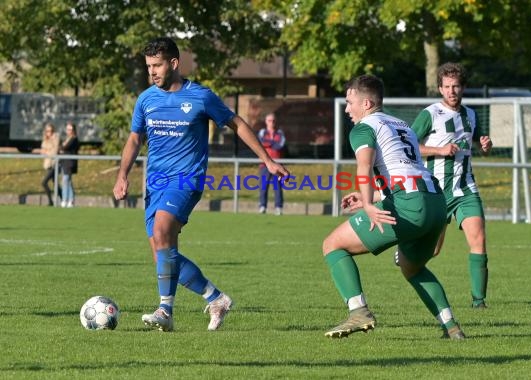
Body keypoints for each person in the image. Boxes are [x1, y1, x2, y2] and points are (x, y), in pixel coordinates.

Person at [112, 37, 289, 332]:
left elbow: (238, 124)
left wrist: (267, 159)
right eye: (148, 67)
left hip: (186, 179)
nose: (152, 72)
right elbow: (134, 139)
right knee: (161, 252)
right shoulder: (146, 99)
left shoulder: (201, 97)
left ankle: (164, 310)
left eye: (156, 65)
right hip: (155, 183)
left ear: (174, 63)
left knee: (161, 231)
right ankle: (215, 298)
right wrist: (122, 174)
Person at [322, 74, 465, 340]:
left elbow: (364, 166)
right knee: (413, 269)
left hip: (410, 206)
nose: (346, 108)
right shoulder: (401, 125)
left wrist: (367, 204)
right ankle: (451, 326)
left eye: (349, 101)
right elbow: (404, 170)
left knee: (332, 245)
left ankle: (358, 311)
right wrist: (375, 196)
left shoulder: (364, 127)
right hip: (435, 203)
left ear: (366, 103)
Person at [401, 62, 492, 309]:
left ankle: (478, 302)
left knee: (479, 239)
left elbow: (477, 143)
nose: (452, 91)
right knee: (434, 250)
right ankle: (406, 252)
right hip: (436, 191)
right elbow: (408, 146)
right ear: (440, 89)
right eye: (448, 86)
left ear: (463, 88)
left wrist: (484, 145)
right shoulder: (430, 114)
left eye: (457, 86)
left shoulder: (471, 115)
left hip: (466, 188)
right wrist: (438, 150)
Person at [257, 112, 286, 215]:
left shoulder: (280, 133)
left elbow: (280, 145)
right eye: (269, 120)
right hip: (264, 164)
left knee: (277, 187)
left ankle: (278, 207)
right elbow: (260, 143)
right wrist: (272, 143)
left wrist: (268, 143)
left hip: (277, 164)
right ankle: (262, 206)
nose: (271, 123)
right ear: (266, 122)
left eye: (273, 120)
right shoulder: (262, 132)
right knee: (263, 186)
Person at [59, 122, 79, 208]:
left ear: (73, 130)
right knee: (68, 182)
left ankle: (65, 200)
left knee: (65, 180)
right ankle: (71, 200)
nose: (68, 131)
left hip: (70, 163)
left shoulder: (74, 139)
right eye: (67, 129)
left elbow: (65, 148)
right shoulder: (67, 138)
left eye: (70, 129)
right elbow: (61, 147)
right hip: (64, 162)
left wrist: (63, 149)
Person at [40, 123, 61, 206]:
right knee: (55, 183)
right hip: (47, 164)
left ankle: (50, 201)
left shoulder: (55, 138)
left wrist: (46, 152)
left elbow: (54, 152)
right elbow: (42, 151)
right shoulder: (45, 140)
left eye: (51, 131)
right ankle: (62, 198)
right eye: (47, 131)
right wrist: (45, 152)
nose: (49, 133)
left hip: (54, 164)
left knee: (44, 182)